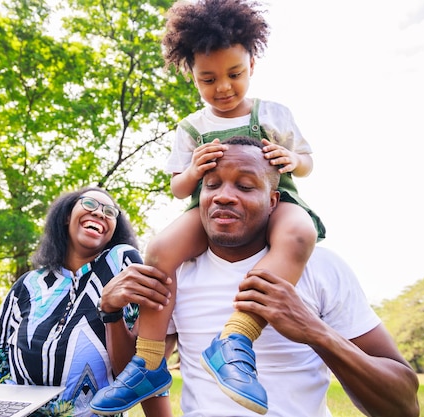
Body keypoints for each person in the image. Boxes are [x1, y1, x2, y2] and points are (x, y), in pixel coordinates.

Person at [91, 0, 325, 414]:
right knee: (161, 249)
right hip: (210, 209)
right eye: (208, 78)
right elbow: (180, 189)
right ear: (192, 77)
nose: (223, 87)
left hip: (275, 200)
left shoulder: (273, 113)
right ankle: (147, 360)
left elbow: (306, 161)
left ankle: (236, 336)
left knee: (300, 233)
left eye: (234, 74)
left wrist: (293, 162)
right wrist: (194, 170)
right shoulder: (192, 127)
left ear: (251, 64)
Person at [162, 136, 419, 416]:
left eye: (246, 186)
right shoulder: (176, 274)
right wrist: (111, 312)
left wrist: (316, 332)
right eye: (211, 185)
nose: (224, 195)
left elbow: (404, 407)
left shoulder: (321, 267)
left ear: (273, 201)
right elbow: (136, 373)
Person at [0, 187, 173, 417]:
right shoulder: (27, 286)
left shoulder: (121, 263)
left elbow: (134, 371)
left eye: (109, 211)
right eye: (90, 204)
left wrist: (110, 311)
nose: (99, 213)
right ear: (67, 216)